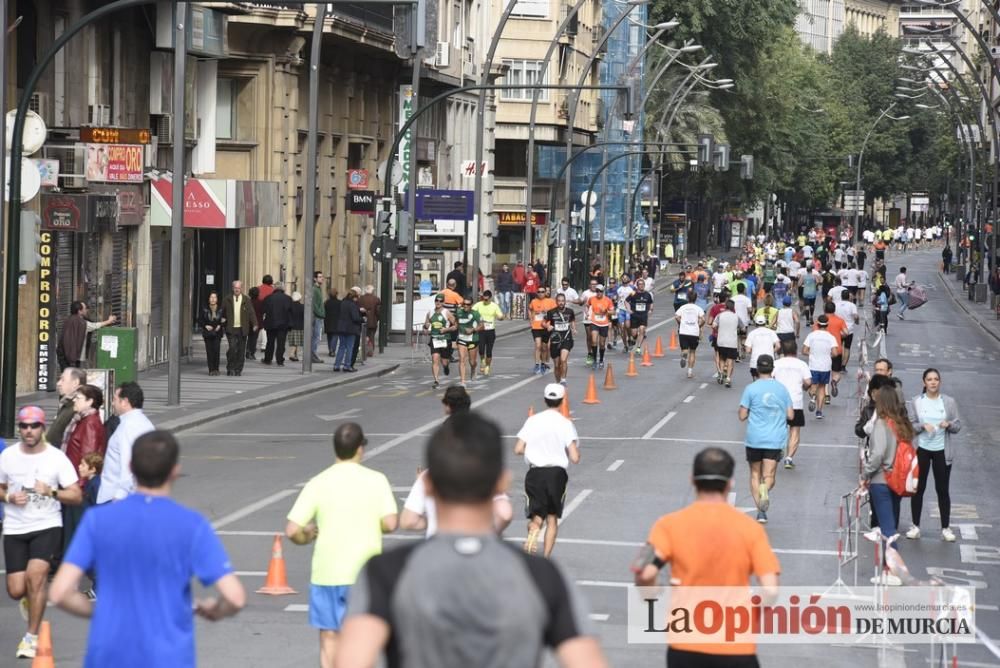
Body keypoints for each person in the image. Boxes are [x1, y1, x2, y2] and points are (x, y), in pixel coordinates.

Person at [338, 412, 605, 668]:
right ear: (501, 484)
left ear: (427, 485)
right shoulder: (541, 576)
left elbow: (353, 661)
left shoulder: (387, 573)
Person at [50, 431, 246, 667]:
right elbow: (235, 597)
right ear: (175, 470)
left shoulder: (98, 520)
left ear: (131, 467)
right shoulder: (192, 525)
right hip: (169, 656)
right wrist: (216, 610)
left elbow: (60, 592)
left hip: (109, 653)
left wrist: (102, 615)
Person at [634, 447, 779, 666]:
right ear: (729, 483)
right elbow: (770, 589)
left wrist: (651, 595)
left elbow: (644, 573)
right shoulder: (751, 530)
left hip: (685, 646)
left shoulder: (667, 526)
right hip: (736, 646)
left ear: (693, 480)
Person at [285, 422, 398, 668]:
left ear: (335, 449)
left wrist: (307, 535)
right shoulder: (377, 480)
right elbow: (391, 523)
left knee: (329, 638)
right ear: (360, 449)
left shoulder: (318, 482)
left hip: (327, 572)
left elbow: (292, 529)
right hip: (365, 575)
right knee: (361, 641)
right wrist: (369, 522)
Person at [0, 406, 83, 659]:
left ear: (42, 428)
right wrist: (9, 497)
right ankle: (27, 600)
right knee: (15, 589)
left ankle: (31, 637)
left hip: (46, 525)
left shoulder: (56, 458)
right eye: (24, 426)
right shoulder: (8, 456)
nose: (28, 431)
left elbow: (76, 494)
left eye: (33, 426)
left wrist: (52, 492)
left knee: (36, 577)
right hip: (15, 526)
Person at [400, 387, 513, 536]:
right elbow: (505, 514)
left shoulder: (430, 476)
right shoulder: (485, 473)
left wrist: (432, 522)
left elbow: (408, 521)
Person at [514, 384, 580, 557]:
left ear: (545, 400)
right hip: (556, 475)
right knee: (552, 519)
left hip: (535, 473)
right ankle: (546, 558)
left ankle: (534, 530)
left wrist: (533, 449)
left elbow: (518, 449)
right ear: (562, 400)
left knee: (536, 515)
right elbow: (574, 457)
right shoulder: (566, 424)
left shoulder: (532, 420)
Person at [860, 389, 915, 585]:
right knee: (891, 524)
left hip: (881, 480)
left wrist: (865, 474)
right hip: (897, 481)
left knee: (887, 529)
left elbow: (876, 455)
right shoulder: (902, 425)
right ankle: (888, 569)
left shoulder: (882, 424)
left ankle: (893, 571)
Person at [905, 368, 962, 543]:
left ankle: (945, 528)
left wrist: (948, 424)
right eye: (929, 379)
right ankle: (915, 526)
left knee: (942, 490)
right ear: (924, 382)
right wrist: (922, 426)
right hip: (922, 449)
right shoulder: (916, 401)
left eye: (936, 379)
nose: (933, 382)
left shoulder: (949, 402)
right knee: (918, 489)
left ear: (940, 382)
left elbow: (957, 426)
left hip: (942, 452)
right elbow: (910, 425)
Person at [738, 355, 793, 523]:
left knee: (755, 473)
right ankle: (765, 489)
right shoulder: (782, 389)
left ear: (758, 369)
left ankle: (760, 512)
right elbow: (790, 415)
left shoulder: (750, 389)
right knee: (769, 476)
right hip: (775, 439)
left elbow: (742, 415)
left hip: (754, 438)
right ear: (772, 369)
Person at [61, 385, 107, 548]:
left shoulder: (90, 424)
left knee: (75, 530)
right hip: (75, 482)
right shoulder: (83, 420)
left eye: (79, 398)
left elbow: (88, 458)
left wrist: (78, 488)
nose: (75, 400)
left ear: (90, 401)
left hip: (79, 485)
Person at [97, 382, 155, 504]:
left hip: (119, 497)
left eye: (115, 399)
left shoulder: (128, 427)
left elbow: (129, 463)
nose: (113, 403)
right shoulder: (144, 422)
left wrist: (119, 497)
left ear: (125, 401)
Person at [772, 340, 811, 470]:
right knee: (795, 430)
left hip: (778, 402)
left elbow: (769, 379)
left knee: (778, 428)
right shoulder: (802, 364)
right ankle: (789, 458)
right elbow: (808, 382)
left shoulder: (776, 363)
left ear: (782, 350)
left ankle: (778, 449)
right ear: (795, 350)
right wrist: (805, 387)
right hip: (796, 402)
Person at [56, 301, 117, 370]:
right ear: (79, 311)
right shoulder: (81, 322)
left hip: (64, 354)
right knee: (72, 376)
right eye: (84, 309)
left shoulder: (68, 320)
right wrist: (109, 321)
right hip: (71, 357)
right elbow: (95, 325)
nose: (86, 310)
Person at [802, 315, 839, 420]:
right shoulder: (830, 337)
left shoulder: (811, 335)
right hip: (825, 366)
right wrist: (828, 355)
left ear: (817, 324)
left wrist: (812, 353)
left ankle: (813, 397)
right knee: (822, 387)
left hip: (813, 365)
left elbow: (804, 351)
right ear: (827, 325)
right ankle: (819, 411)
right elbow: (835, 353)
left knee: (813, 386)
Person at [222, 280, 258, 377]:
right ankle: (230, 368)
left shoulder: (246, 299)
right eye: (235, 288)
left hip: (243, 328)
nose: (237, 290)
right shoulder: (227, 299)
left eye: (239, 288)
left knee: (241, 350)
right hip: (231, 328)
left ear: (241, 288)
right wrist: (221, 321)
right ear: (232, 288)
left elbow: (251, 313)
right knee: (233, 348)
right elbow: (222, 312)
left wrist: (255, 324)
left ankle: (238, 369)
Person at [47, 367, 88, 447]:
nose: (58, 383)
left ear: (75, 382)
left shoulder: (78, 406)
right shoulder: (67, 403)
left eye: (62, 380)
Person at [422, 295, 456, 388]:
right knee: (435, 358)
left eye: (441, 301)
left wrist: (446, 330)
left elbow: (455, 326)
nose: (438, 302)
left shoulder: (446, 312)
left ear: (443, 302)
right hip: (435, 339)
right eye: (437, 300)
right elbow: (425, 325)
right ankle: (436, 380)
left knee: (444, 361)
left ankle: (446, 366)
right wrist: (425, 327)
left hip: (445, 339)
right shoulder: (430, 312)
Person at [545, 292, 577, 385]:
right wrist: (548, 326)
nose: (561, 303)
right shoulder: (551, 312)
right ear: (556, 302)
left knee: (563, 360)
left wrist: (574, 329)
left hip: (567, 338)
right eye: (559, 301)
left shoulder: (570, 311)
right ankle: (558, 383)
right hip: (555, 340)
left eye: (563, 301)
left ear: (565, 301)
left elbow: (572, 320)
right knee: (556, 365)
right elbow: (545, 322)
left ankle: (563, 380)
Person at [674, 290, 705, 380]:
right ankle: (690, 372)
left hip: (683, 331)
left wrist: (681, 323)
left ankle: (684, 354)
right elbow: (703, 319)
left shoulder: (683, 307)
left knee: (685, 349)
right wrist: (698, 326)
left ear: (687, 298)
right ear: (696, 299)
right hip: (694, 332)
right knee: (692, 351)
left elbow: (676, 316)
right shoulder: (698, 308)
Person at [472, 290, 504, 376]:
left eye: (486, 299)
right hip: (481, 330)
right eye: (483, 298)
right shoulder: (478, 304)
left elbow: (500, 315)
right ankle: (482, 360)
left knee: (489, 351)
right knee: (481, 349)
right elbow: (471, 312)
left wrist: (501, 317)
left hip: (490, 331)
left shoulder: (494, 306)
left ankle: (487, 367)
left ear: (490, 298)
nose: (485, 301)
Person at [261, 282, 293, 366]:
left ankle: (268, 359)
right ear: (283, 288)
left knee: (270, 342)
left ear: (274, 288)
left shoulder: (268, 298)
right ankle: (280, 360)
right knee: (281, 343)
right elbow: (291, 312)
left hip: (271, 323)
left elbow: (263, 310)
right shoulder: (288, 298)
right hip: (283, 324)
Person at [454, 297, 483, 386]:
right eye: (464, 304)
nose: (465, 306)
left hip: (473, 339)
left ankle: (473, 369)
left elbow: (482, 326)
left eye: (468, 304)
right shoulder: (458, 312)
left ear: (471, 305)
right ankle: (463, 381)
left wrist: (473, 330)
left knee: (472, 361)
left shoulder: (476, 314)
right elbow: (455, 323)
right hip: (462, 339)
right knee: (462, 359)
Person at [711, 299, 740, 388]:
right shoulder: (736, 317)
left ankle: (721, 373)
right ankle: (728, 378)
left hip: (721, 341)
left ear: (726, 306)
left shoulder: (720, 316)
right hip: (732, 342)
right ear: (733, 307)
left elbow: (714, 325)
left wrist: (718, 330)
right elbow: (742, 328)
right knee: (730, 360)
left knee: (722, 358)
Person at [529, 287, 557, 375]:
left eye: (542, 292)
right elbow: (530, 309)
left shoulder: (551, 301)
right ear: (537, 293)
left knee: (544, 347)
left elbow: (555, 312)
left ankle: (543, 364)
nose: (540, 293)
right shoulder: (533, 301)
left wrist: (547, 312)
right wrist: (531, 319)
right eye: (539, 292)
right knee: (538, 345)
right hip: (536, 327)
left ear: (545, 292)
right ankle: (537, 364)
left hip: (546, 327)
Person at [586, 285, 614, 370]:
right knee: (594, 340)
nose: (598, 293)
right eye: (597, 291)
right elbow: (587, 306)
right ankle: (594, 360)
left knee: (602, 344)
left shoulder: (608, 300)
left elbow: (613, 312)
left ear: (603, 292)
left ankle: (601, 360)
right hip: (594, 322)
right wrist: (587, 313)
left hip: (604, 324)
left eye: (600, 291)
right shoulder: (592, 299)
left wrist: (606, 311)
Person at [335, 289, 363, 373]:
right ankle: (347, 366)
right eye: (357, 297)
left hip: (341, 328)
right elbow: (355, 318)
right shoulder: (352, 305)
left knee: (341, 347)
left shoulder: (342, 303)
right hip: (351, 329)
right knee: (349, 347)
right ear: (354, 297)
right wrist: (362, 319)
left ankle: (336, 365)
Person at [744, 315, 780, 380]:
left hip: (755, 361)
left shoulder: (752, 333)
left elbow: (748, 350)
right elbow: (778, 346)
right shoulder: (771, 332)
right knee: (769, 381)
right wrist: (772, 351)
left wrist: (753, 352)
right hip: (769, 360)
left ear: (755, 323)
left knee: (756, 383)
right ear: (765, 322)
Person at [200, 291, 225, 375]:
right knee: (209, 351)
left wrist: (220, 325)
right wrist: (205, 326)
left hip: (217, 333)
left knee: (216, 350)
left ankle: (216, 369)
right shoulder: (204, 308)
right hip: (208, 333)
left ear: (217, 299)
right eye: (211, 297)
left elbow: (225, 319)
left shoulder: (221, 309)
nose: (213, 299)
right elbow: (200, 320)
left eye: (215, 297)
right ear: (208, 299)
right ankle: (211, 370)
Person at [627, 278, 654, 354]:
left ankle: (638, 347)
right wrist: (629, 309)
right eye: (640, 284)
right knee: (634, 333)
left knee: (642, 330)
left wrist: (650, 309)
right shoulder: (633, 293)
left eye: (643, 284)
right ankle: (634, 339)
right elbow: (626, 301)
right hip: (634, 315)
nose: (641, 286)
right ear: (637, 286)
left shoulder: (647, 294)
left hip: (643, 315)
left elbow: (651, 303)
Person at [358, 285, 381, 357]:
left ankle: (364, 350)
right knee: (371, 337)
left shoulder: (360, 299)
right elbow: (378, 311)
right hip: (373, 321)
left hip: (363, 320)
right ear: (372, 291)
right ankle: (370, 351)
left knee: (364, 336)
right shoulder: (376, 299)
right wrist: (377, 318)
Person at [311, 272, 327, 363]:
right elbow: (314, 305)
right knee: (316, 337)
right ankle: (313, 356)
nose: (322, 278)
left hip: (319, 316)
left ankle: (313, 355)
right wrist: (320, 313)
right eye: (320, 277)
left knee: (316, 337)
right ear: (315, 279)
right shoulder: (314, 289)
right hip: (317, 317)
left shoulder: (318, 289)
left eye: (322, 277)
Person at [324, 288, 342, 359]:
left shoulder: (326, 302)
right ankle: (332, 350)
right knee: (335, 336)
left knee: (329, 336)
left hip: (328, 321)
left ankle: (330, 349)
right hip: (336, 321)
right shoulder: (339, 303)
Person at [288, 291, 306, 362]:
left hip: (291, 326)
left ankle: (295, 356)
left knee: (294, 341)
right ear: (299, 298)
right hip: (299, 326)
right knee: (296, 342)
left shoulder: (289, 306)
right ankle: (292, 354)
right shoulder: (302, 307)